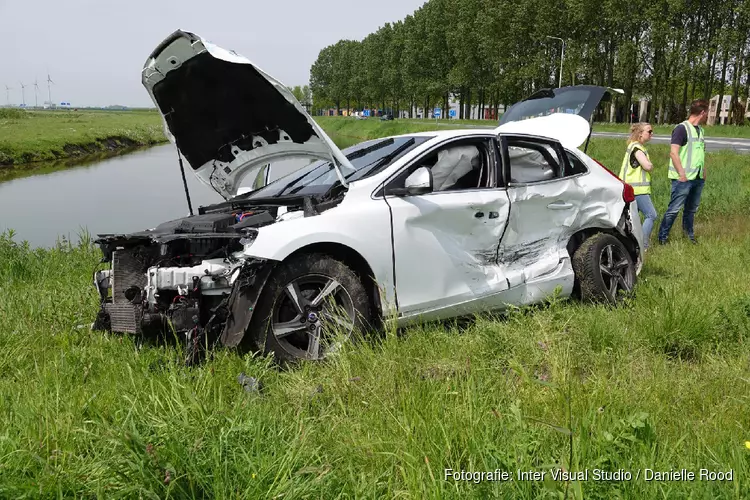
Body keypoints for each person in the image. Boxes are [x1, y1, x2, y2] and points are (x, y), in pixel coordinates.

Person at [657, 99, 708, 245]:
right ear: (702, 113)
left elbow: (700, 153)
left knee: (691, 210)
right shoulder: (681, 128)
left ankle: (689, 237)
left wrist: (703, 171)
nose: (707, 117)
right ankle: (662, 238)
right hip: (683, 178)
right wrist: (682, 174)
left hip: (697, 177)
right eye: (707, 113)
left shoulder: (701, 130)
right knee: (674, 209)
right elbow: (674, 153)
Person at [618, 122, 657, 249]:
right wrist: (651, 165)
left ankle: (629, 245)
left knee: (632, 220)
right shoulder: (637, 149)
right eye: (649, 131)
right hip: (638, 190)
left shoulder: (633, 146)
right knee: (651, 215)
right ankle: (643, 245)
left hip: (630, 189)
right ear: (640, 134)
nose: (652, 134)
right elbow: (647, 166)